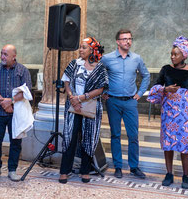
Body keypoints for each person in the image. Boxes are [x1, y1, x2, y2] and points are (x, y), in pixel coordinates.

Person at [147, 36, 188, 189]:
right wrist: (165, 89)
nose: (172, 56)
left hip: (184, 114)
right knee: (168, 144)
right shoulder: (166, 69)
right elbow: (155, 89)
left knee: (184, 144)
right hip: (168, 112)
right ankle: (169, 173)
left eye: (176, 54)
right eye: (171, 54)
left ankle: (185, 176)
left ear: (184, 55)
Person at [100, 29, 150, 179]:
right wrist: (103, 92)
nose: (128, 41)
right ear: (118, 42)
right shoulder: (107, 59)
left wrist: (139, 94)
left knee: (133, 135)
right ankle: (118, 167)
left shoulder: (136, 58)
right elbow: (99, 75)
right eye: (124, 39)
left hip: (130, 102)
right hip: (113, 101)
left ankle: (134, 167)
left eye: (130, 39)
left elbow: (146, 76)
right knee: (115, 134)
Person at [59, 37, 108, 184]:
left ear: (92, 50)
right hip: (73, 106)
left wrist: (81, 98)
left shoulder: (99, 67)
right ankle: (64, 171)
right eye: (80, 47)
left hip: (91, 107)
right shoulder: (74, 64)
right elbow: (66, 81)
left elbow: (100, 89)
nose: (80, 50)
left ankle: (85, 171)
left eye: (84, 47)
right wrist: (72, 97)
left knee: (88, 138)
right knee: (70, 138)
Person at [0, 45, 32, 182]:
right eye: (1, 54)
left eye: (5, 54)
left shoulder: (22, 70)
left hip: (15, 113)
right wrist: (3, 102)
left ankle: (12, 170)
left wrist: (10, 101)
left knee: (16, 142)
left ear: (14, 56)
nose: (2, 57)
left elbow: (26, 91)